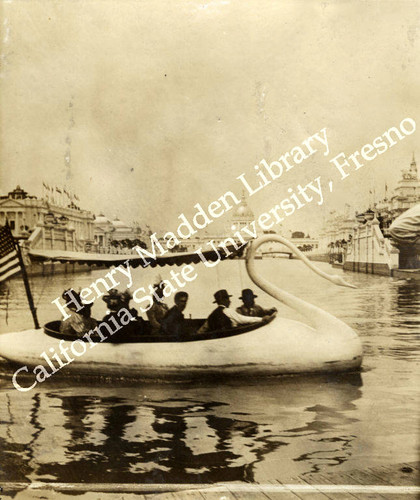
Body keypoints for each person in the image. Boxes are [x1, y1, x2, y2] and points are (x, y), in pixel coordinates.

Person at [198, 289, 275, 333]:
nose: (230, 301)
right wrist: (262, 319)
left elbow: (204, 327)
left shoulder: (212, 314)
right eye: (228, 299)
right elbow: (242, 319)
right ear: (225, 300)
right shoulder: (227, 311)